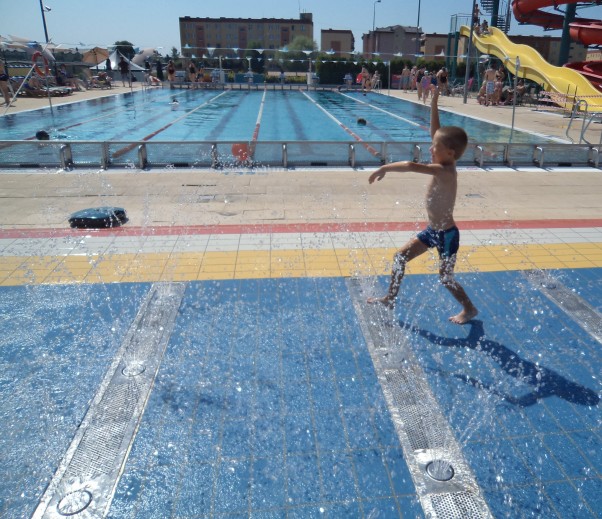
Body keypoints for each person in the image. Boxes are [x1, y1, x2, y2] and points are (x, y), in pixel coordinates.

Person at [367, 86, 478, 325]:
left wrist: (384, 167)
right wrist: (434, 102)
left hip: (447, 234)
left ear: (449, 153)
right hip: (432, 231)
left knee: (445, 278)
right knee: (399, 258)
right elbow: (436, 132)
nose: (430, 148)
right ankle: (390, 298)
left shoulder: (444, 170)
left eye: (434, 148)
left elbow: (411, 165)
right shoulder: (445, 157)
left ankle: (469, 309)